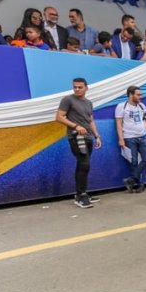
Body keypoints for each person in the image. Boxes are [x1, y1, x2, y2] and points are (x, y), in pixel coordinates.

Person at [56, 78, 102, 208]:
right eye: (75, 87)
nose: (77, 89)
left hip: (88, 137)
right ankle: (81, 196)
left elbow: (90, 121)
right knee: (84, 164)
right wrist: (76, 127)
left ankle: (81, 193)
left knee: (83, 166)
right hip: (75, 137)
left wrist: (97, 136)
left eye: (80, 87)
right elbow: (59, 117)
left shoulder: (88, 103)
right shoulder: (68, 100)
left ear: (86, 88)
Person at [115, 86, 146, 193]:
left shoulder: (142, 106)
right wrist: (121, 139)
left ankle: (130, 180)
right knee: (133, 162)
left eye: (140, 94)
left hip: (142, 137)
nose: (140, 96)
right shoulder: (121, 107)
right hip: (129, 138)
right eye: (138, 94)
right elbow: (118, 125)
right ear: (130, 95)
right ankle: (139, 184)